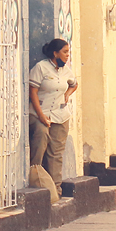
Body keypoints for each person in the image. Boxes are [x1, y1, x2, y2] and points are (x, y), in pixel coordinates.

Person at [29, 38, 78, 190]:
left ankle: (56, 187)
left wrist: (67, 94)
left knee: (56, 151)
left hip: (60, 115)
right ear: (55, 53)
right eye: (64, 52)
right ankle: (35, 177)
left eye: (68, 52)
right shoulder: (41, 68)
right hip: (40, 113)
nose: (67, 55)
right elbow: (33, 92)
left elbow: (74, 84)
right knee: (41, 137)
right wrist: (41, 115)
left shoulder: (66, 70)